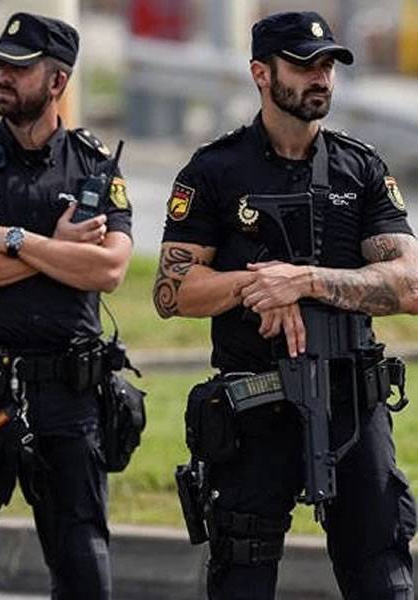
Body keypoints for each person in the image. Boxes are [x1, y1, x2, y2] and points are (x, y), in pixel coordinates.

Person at [154, 10, 418, 600]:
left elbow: (410, 285)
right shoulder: (215, 170)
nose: (320, 77)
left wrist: (304, 282)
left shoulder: (360, 168)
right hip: (255, 407)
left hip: (351, 406)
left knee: (385, 578)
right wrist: (254, 286)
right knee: (241, 577)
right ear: (261, 74)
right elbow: (172, 292)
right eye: (303, 65)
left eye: (327, 65)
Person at [0, 12, 133, 600]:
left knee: (85, 572)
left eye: (19, 67)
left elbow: (109, 270)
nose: (3, 77)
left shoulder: (93, 167)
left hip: (68, 396)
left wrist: (14, 240)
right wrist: (60, 252)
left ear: (57, 81)